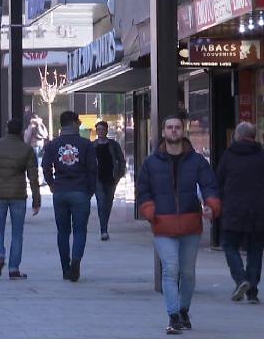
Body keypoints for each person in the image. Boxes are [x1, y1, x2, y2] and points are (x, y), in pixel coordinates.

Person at [137, 115, 221, 335]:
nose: (173, 131)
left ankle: (184, 310)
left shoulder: (197, 162)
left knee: (188, 273)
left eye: (177, 128)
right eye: (169, 127)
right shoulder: (151, 162)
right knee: (170, 270)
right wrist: (149, 210)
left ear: (183, 131)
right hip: (163, 224)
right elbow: (143, 190)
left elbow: (209, 186)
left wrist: (211, 205)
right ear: (163, 132)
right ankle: (173, 316)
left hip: (190, 225)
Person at [0, 119, 42, 279]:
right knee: (17, 233)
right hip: (18, 194)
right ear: (21, 132)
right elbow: (33, 177)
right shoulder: (27, 149)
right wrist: (36, 200)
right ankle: (13, 269)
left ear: (6, 129)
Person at [42, 110, 97, 282]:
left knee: (63, 231)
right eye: (78, 121)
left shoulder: (53, 144)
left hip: (60, 191)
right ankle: (76, 260)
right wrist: (90, 190)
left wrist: (52, 183)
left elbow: (45, 167)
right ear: (74, 123)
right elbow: (93, 170)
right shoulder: (86, 144)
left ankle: (66, 268)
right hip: (80, 191)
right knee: (80, 229)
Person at [216, 122, 264, 304]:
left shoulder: (229, 156)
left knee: (229, 246)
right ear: (254, 136)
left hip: (233, 210)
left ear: (237, 135)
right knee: (255, 251)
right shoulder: (261, 156)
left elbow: (218, 181)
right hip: (258, 212)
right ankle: (252, 291)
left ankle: (241, 279)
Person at [93, 120, 126, 241]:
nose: (100, 132)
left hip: (111, 178)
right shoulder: (93, 145)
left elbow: (121, 160)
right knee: (101, 203)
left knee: (108, 203)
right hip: (98, 179)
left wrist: (120, 174)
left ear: (106, 131)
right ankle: (104, 230)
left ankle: (104, 225)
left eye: (102, 129)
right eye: (98, 130)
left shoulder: (113, 145)